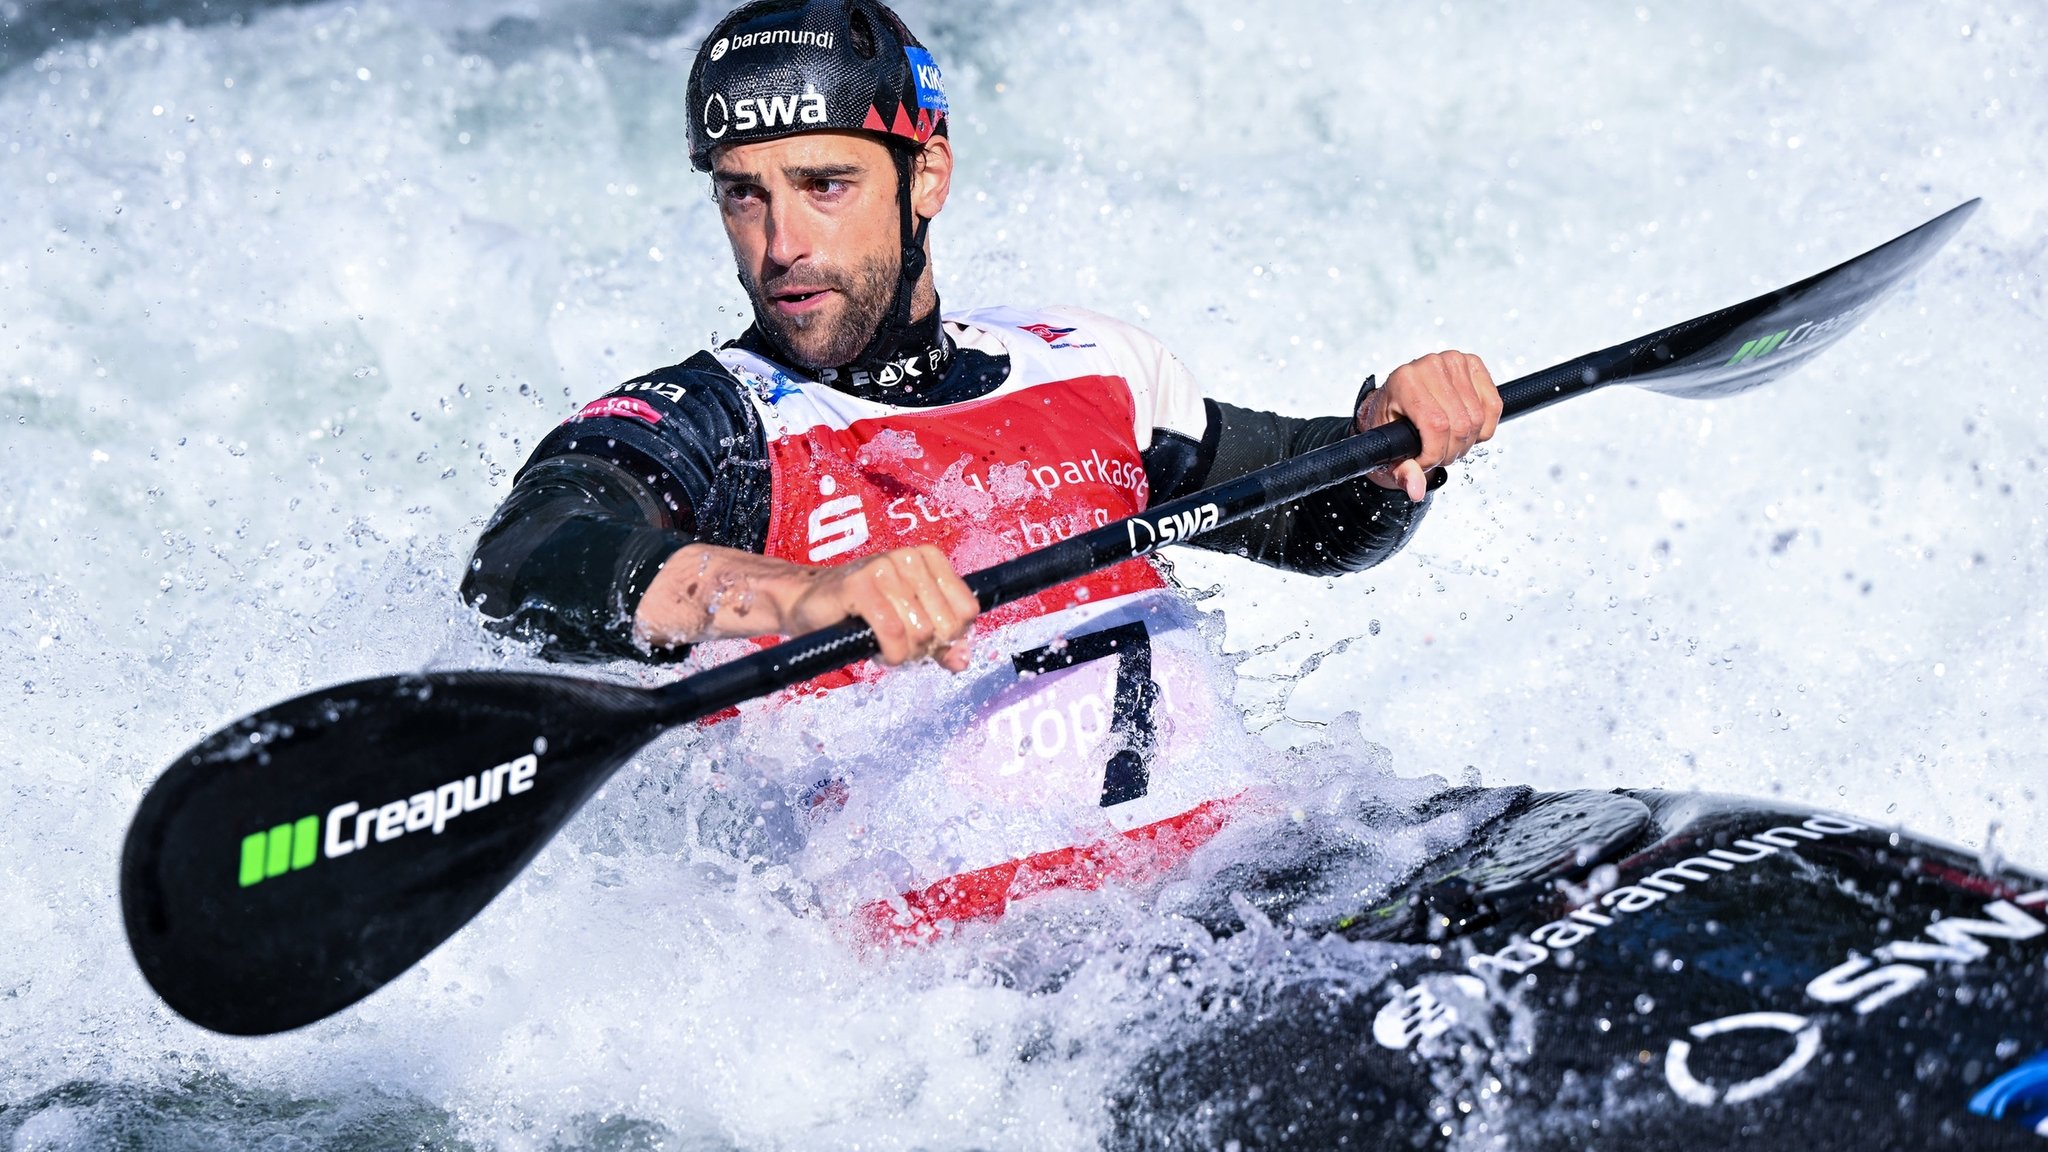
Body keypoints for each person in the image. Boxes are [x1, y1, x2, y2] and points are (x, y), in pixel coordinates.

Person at [463, 0, 1501, 940]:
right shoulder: (712, 423)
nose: (780, 243)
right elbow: (523, 563)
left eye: (825, 186)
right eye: (744, 196)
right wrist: (806, 594)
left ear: (926, 175)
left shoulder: (1088, 363)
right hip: (1001, 994)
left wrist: (1393, 438)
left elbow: (1313, 528)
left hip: (1260, 886)